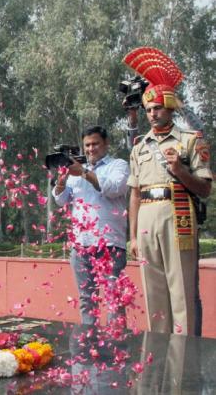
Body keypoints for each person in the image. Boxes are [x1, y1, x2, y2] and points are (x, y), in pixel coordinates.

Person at [124, 47, 212, 335]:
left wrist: (180, 171)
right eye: (149, 109)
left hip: (177, 216)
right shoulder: (139, 147)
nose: (152, 114)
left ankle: (185, 353)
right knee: (154, 292)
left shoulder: (190, 141)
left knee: (182, 290)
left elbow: (205, 189)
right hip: (147, 218)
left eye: (158, 108)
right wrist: (133, 236)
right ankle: (159, 351)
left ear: (171, 108)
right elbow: (134, 193)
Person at [53, 126, 129, 325]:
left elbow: (113, 188)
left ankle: (116, 341)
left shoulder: (118, 165)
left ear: (106, 143)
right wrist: (61, 182)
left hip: (110, 244)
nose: (91, 149)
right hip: (81, 245)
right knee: (87, 300)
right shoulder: (75, 171)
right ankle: (89, 341)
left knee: (114, 299)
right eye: (87, 145)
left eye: (95, 144)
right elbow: (61, 200)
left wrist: (84, 173)